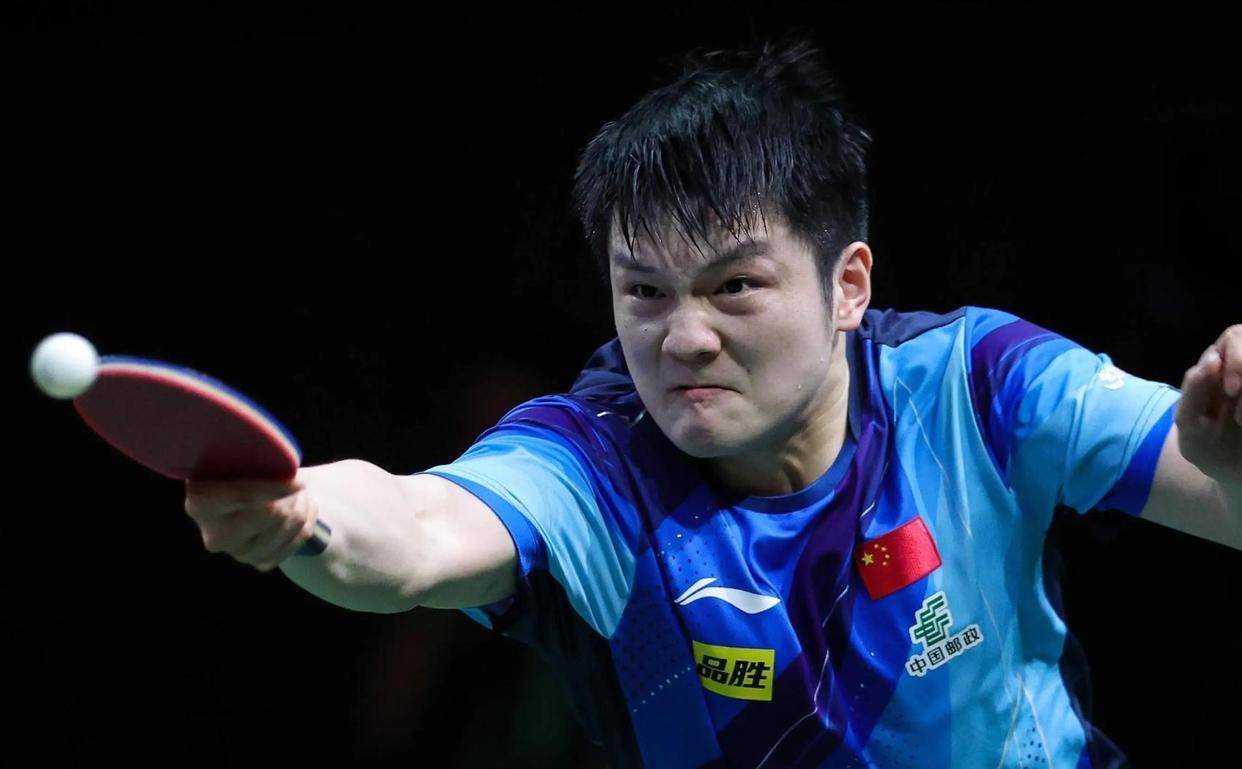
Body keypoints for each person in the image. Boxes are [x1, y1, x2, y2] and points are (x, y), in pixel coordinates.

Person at [184, 38, 1241, 768]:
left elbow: (1223, 495)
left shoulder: (977, 386)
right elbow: (417, 529)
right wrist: (302, 515)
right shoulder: (597, 468)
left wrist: (1234, 446)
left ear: (848, 286)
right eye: (645, 291)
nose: (683, 335)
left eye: (735, 285)